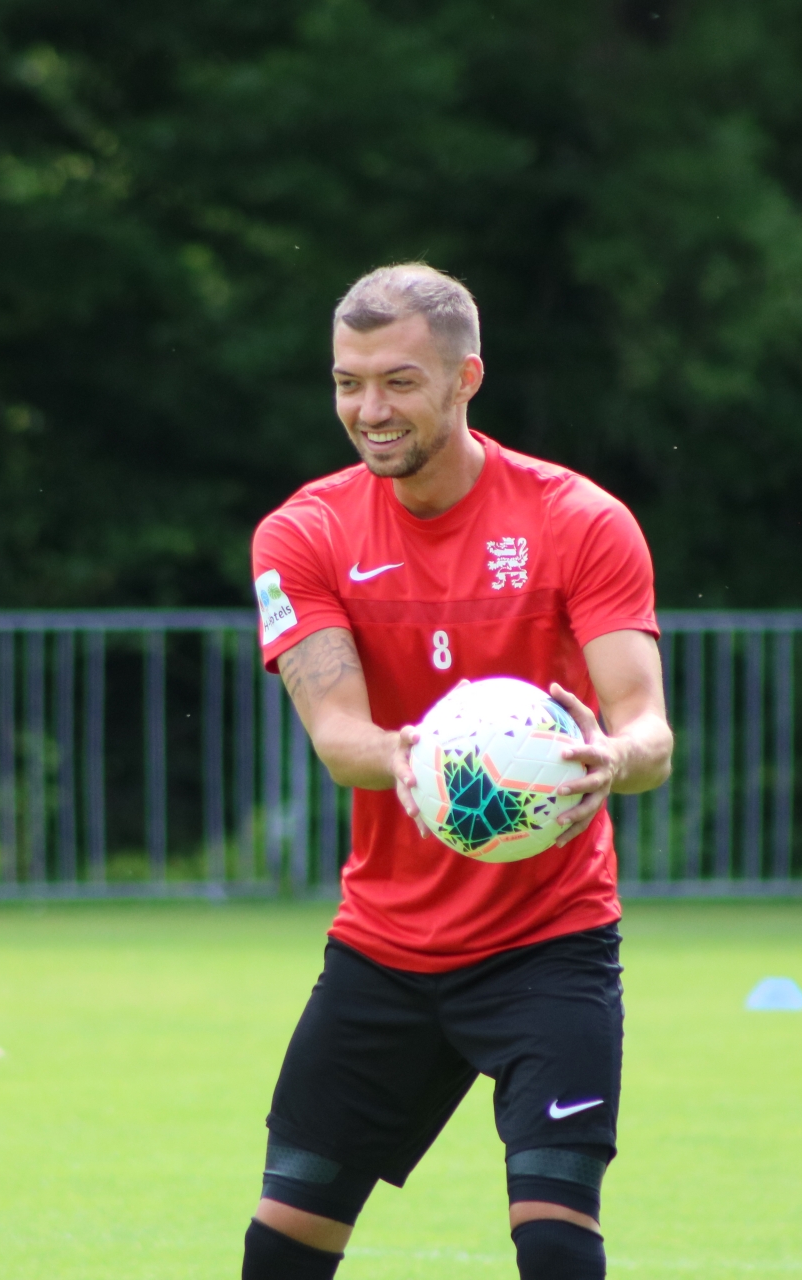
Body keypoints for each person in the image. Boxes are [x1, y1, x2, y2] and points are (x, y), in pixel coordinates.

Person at [242, 263, 674, 1280]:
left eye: (398, 381)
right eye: (348, 383)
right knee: (283, 1246)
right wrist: (423, 755)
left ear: (465, 377)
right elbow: (339, 739)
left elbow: (648, 729)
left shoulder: (579, 520)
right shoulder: (301, 534)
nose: (369, 409)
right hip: (384, 946)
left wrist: (610, 758)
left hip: (549, 942)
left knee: (555, 1239)